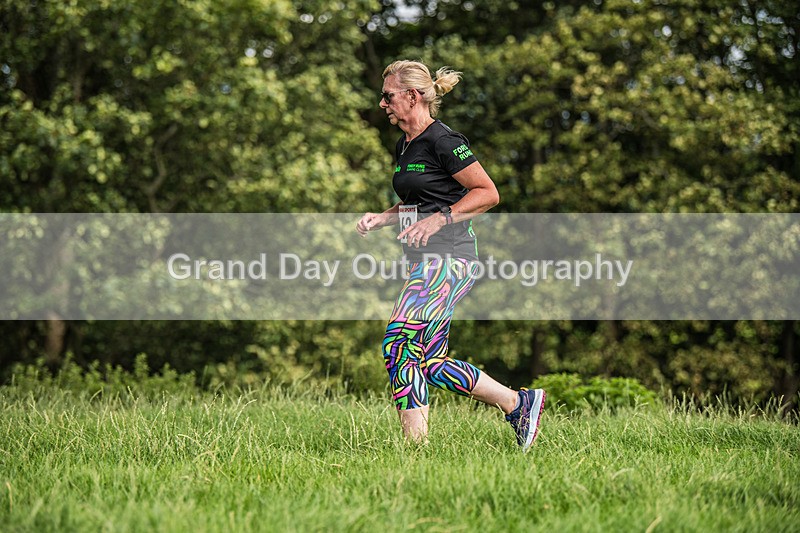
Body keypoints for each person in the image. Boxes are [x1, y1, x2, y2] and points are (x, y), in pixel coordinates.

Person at [356, 60, 545, 450]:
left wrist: (440, 221)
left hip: (450, 259)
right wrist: (384, 218)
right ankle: (517, 403)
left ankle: (415, 450)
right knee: (430, 361)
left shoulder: (444, 140)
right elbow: (418, 201)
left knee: (398, 342)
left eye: (388, 96)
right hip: (423, 262)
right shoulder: (405, 143)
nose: (382, 104)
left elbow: (487, 193)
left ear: (412, 96)